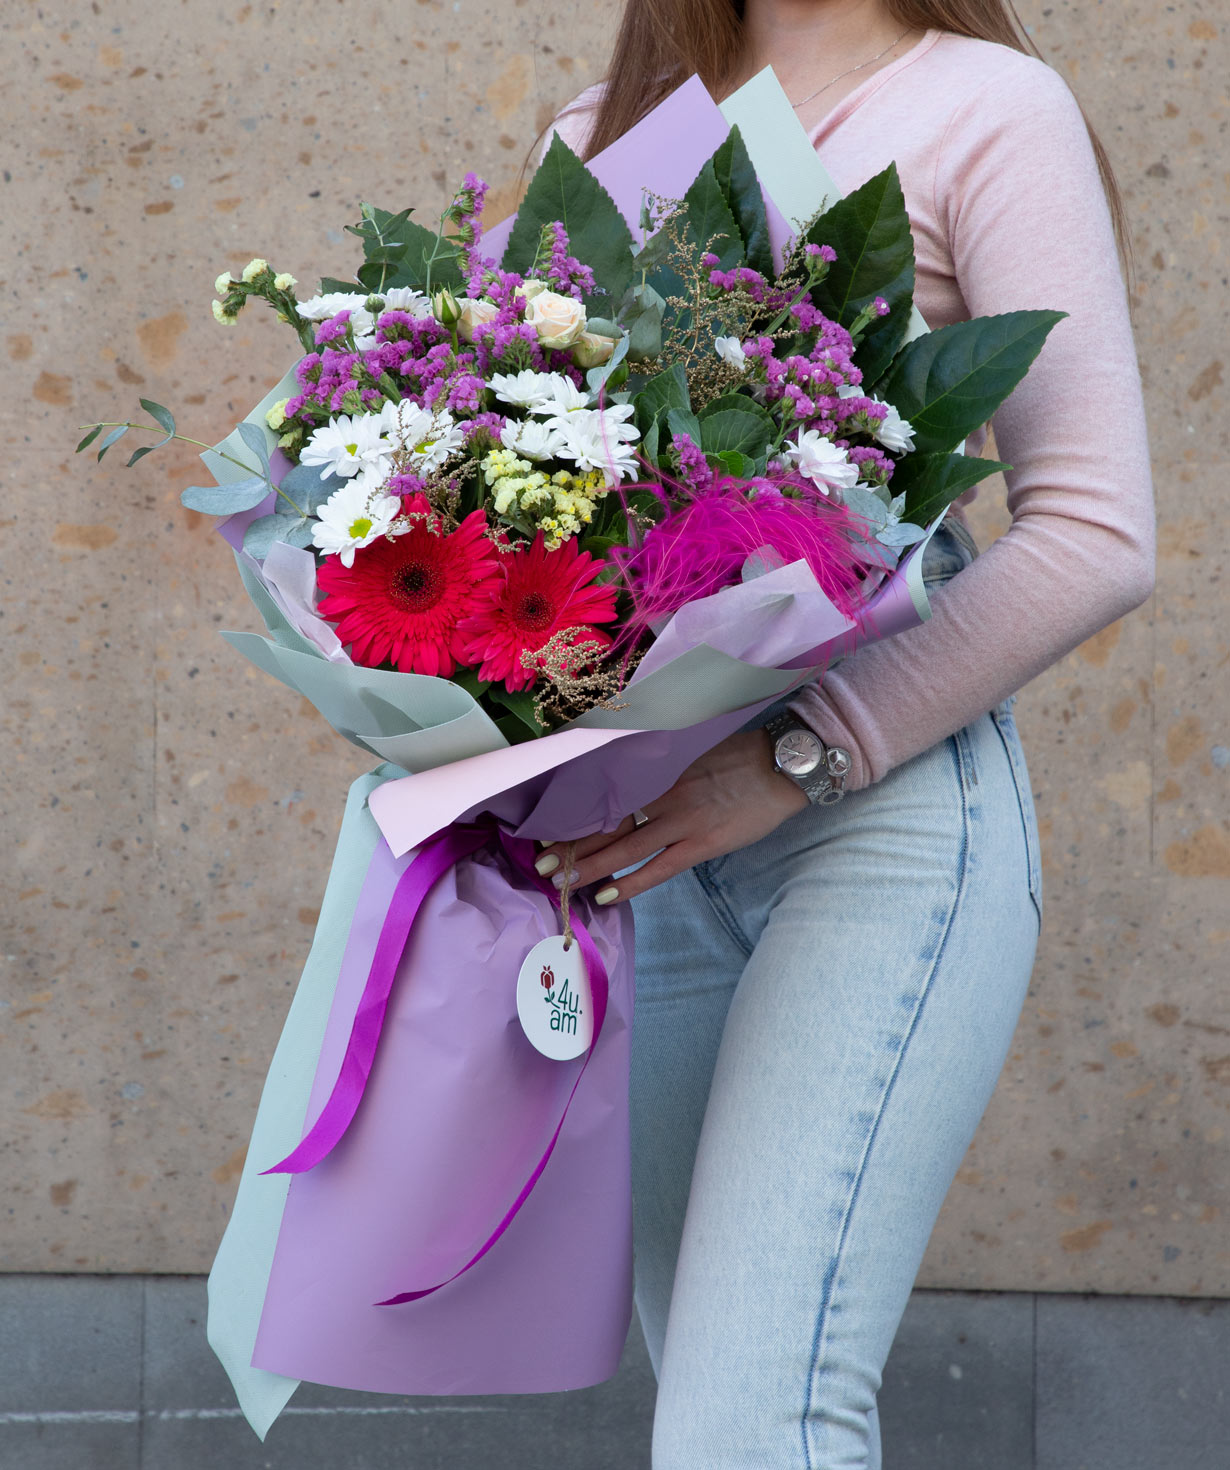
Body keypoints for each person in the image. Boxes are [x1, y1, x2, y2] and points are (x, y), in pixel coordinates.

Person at [535, 1, 1155, 1464]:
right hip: (650, 849)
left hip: (873, 827)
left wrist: (797, 752)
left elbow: (1095, 533)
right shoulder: (604, 132)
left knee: (758, 1417)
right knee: (706, 1399)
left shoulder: (985, 107)